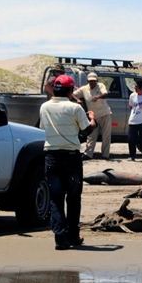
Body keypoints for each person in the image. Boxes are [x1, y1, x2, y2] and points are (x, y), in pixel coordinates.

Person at [39, 74, 97, 250]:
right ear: (70, 90)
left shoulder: (44, 107)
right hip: (71, 157)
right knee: (73, 198)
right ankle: (73, 235)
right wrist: (93, 117)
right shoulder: (75, 108)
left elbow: (44, 128)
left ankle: (60, 238)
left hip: (52, 157)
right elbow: (87, 129)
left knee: (56, 199)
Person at [73, 72, 112, 160]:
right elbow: (72, 94)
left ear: (96, 80)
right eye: (90, 81)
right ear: (88, 81)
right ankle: (88, 154)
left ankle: (105, 155)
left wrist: (98, 97)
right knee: (91, 135)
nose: (92, 83)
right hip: (93, 116)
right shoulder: (84, 89)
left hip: (104, 113)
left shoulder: (100, 86)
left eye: (93, 81)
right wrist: (77, 100)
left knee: (106, 135)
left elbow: (105, 94)